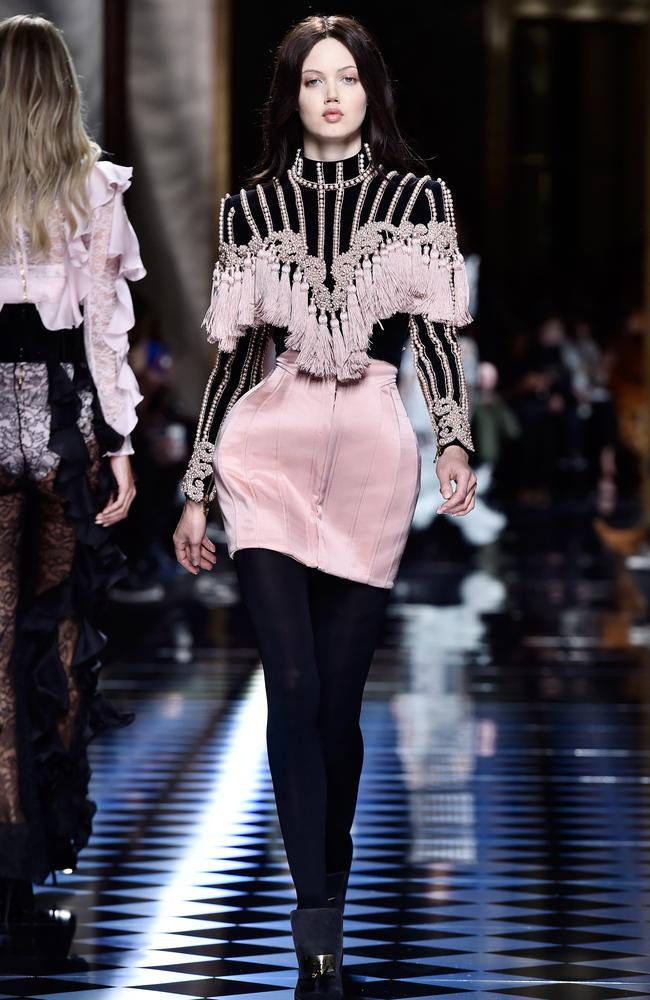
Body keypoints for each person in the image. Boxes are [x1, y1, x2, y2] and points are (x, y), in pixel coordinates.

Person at [173, 15, 476, 998]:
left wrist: (455, 437)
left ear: (368, 90)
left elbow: (432, 338)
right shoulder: (250, 209)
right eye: (313, 80)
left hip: (374, 459)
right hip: (267, 448)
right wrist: (197, 485)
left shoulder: (416, 197)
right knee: (291, 686)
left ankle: (324, 897)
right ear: (292, 96)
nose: (331, 93)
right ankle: (317, 940)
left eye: (346, 77)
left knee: (338, 709)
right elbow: (230, 359)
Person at [0, 15, 144, 949]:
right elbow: (103, 329)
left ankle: (6, 857)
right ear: (64, 85)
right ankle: (32, 863)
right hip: (60, 414)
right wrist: (123, 439)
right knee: (52, 634)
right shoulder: (94, 187)